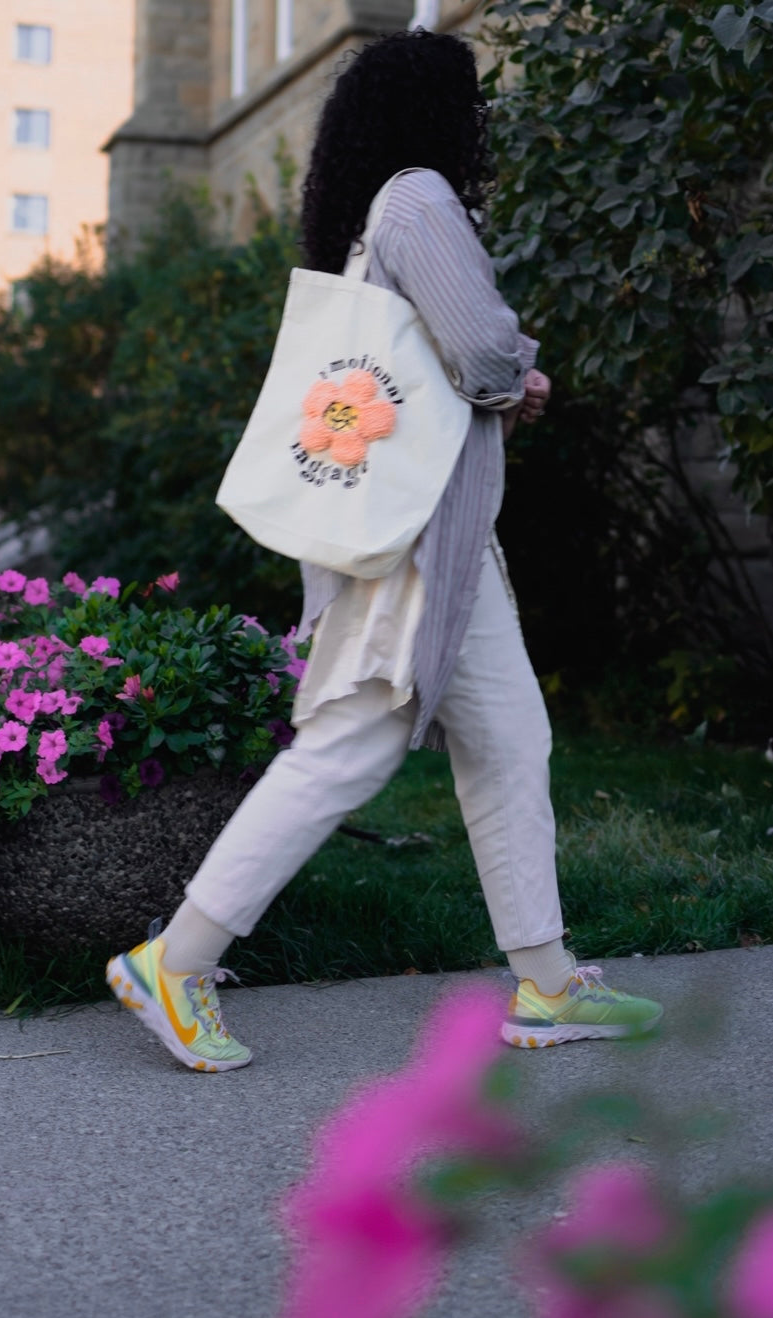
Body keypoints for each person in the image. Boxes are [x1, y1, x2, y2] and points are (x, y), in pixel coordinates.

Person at [106, 29, 663, 1072]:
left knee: (509, 741)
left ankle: (543, 983)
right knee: (347, 746)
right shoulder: (417, 200)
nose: (481, 123)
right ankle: (172, 964)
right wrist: (519, 376)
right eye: (472, 107)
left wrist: (500, 377)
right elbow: (483, 345)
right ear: (441, 115)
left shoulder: (379, 207)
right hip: (412, 545)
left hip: (444, 541)